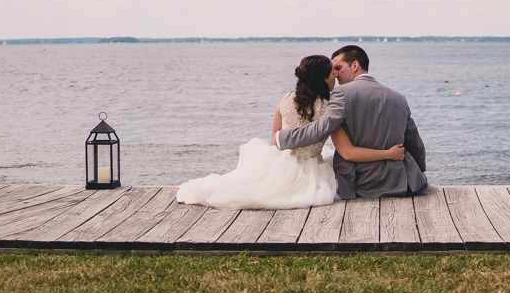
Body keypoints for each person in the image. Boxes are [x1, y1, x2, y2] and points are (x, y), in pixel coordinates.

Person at [176, 55, 404, 209]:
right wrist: (388, 153)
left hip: (280, 162)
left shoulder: (285, 100)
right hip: (310, 170)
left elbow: (274, 140)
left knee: (241, 184)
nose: (335, 77)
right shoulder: (329, 107)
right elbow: (347, 151)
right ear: (323, 79)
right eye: (331, 74)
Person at [274, 45, 428, 199]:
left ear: (355, 65)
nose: (335, 74)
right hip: (402, 182)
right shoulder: (399, 97)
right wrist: (419, 169)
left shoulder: (340, 94)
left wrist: (281, 138)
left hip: (360, 185)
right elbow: (414, 142)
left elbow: (319, 129)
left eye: (339, 68)